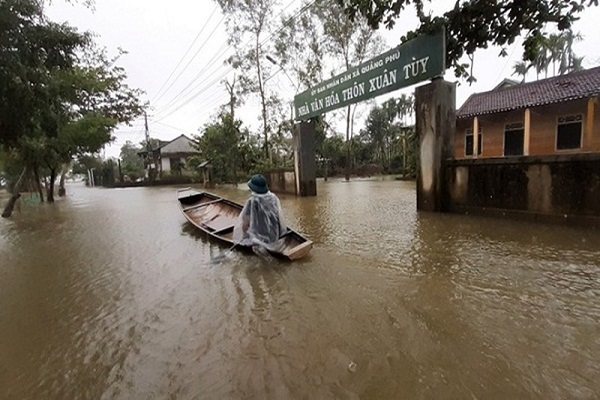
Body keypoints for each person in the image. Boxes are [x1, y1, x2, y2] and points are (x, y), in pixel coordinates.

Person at [232, 174, 287, 251]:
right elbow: (278, 218)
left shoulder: (252, 202)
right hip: (274, 237)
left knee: (246, 236)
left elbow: (245, 224)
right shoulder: (273, 198)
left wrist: (243, 237)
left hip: (258, 240)